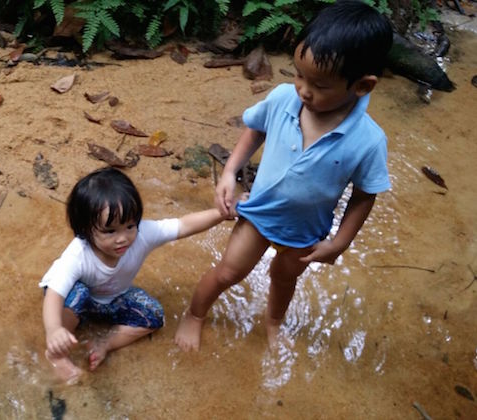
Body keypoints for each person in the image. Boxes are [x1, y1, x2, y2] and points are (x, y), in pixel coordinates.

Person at [175, 0, 394, 351]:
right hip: (260, 213)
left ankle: (274, 322)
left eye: (320, 85)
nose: (304, 90)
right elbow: (254, 130)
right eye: (298, 74)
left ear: (362, 86)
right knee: (229, 272)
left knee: (284, 277)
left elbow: (365, 195)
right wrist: (230, 172)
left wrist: (339, 242)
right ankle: (196, 313)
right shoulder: (282, 100)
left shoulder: (368, 141)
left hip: (306, 230)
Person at [41, 166, 226, 383]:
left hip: (113, 299)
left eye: (130, 226)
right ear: (85, 230)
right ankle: (57, 353)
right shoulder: (78, 254)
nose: (123, 238)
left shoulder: (142, 235)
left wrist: (221, 214)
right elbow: (54, 293)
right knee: (77, 292)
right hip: (78, 299)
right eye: (110, 231)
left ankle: (105, 344)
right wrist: (53, 329)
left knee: (154, 313)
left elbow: (183, 225)